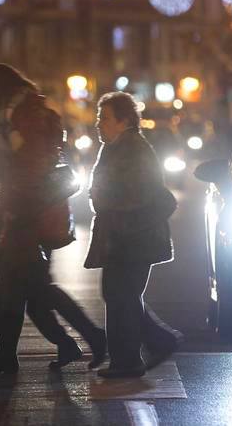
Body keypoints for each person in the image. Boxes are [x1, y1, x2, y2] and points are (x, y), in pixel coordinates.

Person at [0, 63, 105, 374]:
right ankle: (12, 352)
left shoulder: (23, 115)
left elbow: (31, 166)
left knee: (23, 289)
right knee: (23, 290)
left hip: (29, 211)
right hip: (23, 208)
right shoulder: (15, 114)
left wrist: (15, 209)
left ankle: (4, 352)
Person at [86, 92, 181, 379]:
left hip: (132, 238)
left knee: (121, 296)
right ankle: (155, 343)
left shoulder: (132, 150)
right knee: (120, 295)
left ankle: (128, 362)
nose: (98, 124)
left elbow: (139, 195)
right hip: (123, 237)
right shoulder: (118, 147)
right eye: (99, 118)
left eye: (104, 118)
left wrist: (108, 202)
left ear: (123, 121)